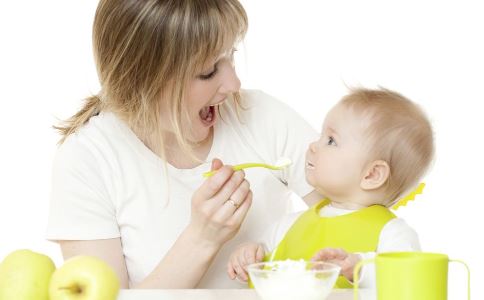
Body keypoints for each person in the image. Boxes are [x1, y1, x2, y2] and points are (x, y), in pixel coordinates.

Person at [45, 0, 322, 289]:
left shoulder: (261, 116)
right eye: (208, 71)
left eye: (231, 56)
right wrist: (202, 239)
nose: (234, 83)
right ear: (142, 80)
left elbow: (355, 214)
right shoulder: (89, 159)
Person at [227, 88, 434, 288]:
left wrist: (359, 269)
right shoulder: (289, 226)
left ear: (371, 175)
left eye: (331, 141)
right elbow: (261, 264)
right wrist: (248, 257)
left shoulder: (392, 234)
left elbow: (408, 279)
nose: (313, 146)